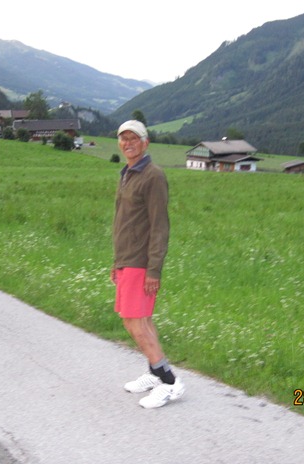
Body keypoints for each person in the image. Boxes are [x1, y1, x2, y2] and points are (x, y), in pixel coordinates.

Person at [110, 120, 185, 409]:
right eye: (123, 138)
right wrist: (117, 262)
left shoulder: (153, 175)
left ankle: (169, 382)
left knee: (134, 322)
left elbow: (160, 226)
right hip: (127, 260)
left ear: (146, 142)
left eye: (134, 138)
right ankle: (155, 373)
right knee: (141, 320)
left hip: (141, 262)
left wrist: (154, 269)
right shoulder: (128, 173)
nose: (128, 143)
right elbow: (125, 222)